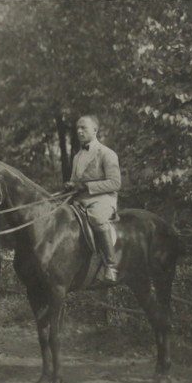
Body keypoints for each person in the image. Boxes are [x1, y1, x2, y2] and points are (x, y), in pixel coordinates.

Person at [64, 115, 121, 284]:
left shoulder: (107, 153)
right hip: (80, 200)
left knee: (97, 218)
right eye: (78, 129)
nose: (79, 131)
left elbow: (115, 183)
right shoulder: (77, 156)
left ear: (95, 130)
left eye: (84, 128)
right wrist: (71, 186)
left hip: (102, 199)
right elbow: (76, 181)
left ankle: (110, 266)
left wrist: (87, 186)